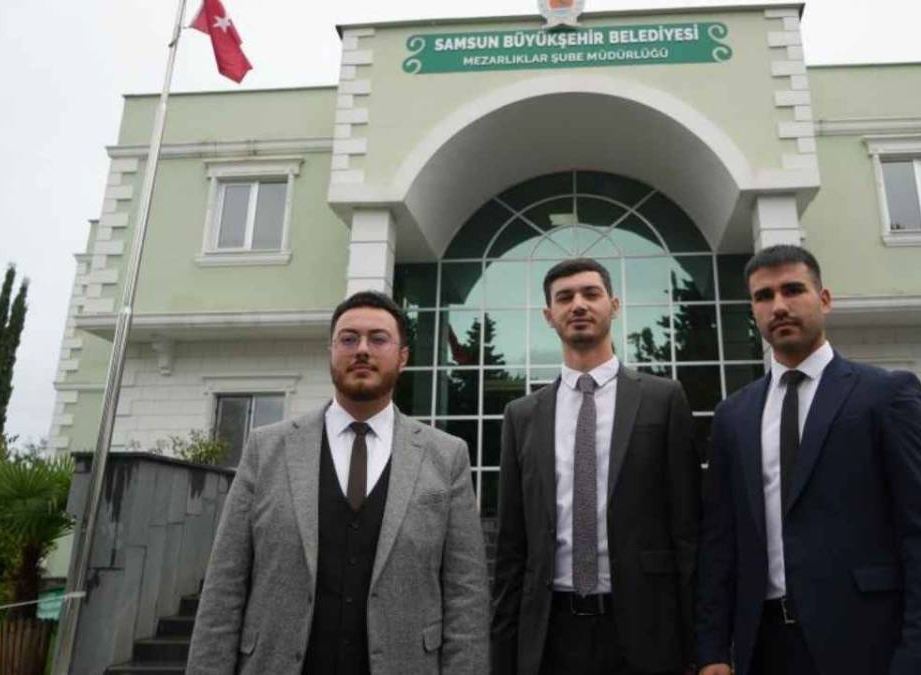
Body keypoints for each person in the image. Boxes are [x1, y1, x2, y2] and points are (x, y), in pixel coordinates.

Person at [187, 291, 489, 675]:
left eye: (378, 339)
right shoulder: (266, 448)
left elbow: (466, 595)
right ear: (330, 352)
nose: (362, 349)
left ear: (403, 358)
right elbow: (224, 584)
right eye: (348, 339)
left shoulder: (447, 456)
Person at [696, 245, 921, 675]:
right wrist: (711, 649)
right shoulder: (734, 415)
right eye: (764, 296)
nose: (778, 306)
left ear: (824, 299)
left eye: (792, 290)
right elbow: (720, 541)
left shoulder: (886, 395)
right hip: (762, 647)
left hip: (868, 644)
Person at [492, 258, 701, 675]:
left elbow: (689, 531)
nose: (578, 305)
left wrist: (703, 645)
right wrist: (503, 655)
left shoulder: (664, 399)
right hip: (550, 636)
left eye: (591, 293)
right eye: (564, 297)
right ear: (549, 315)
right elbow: (511, 548)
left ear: (614, 305)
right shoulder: (522, 416)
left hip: (646, 632)